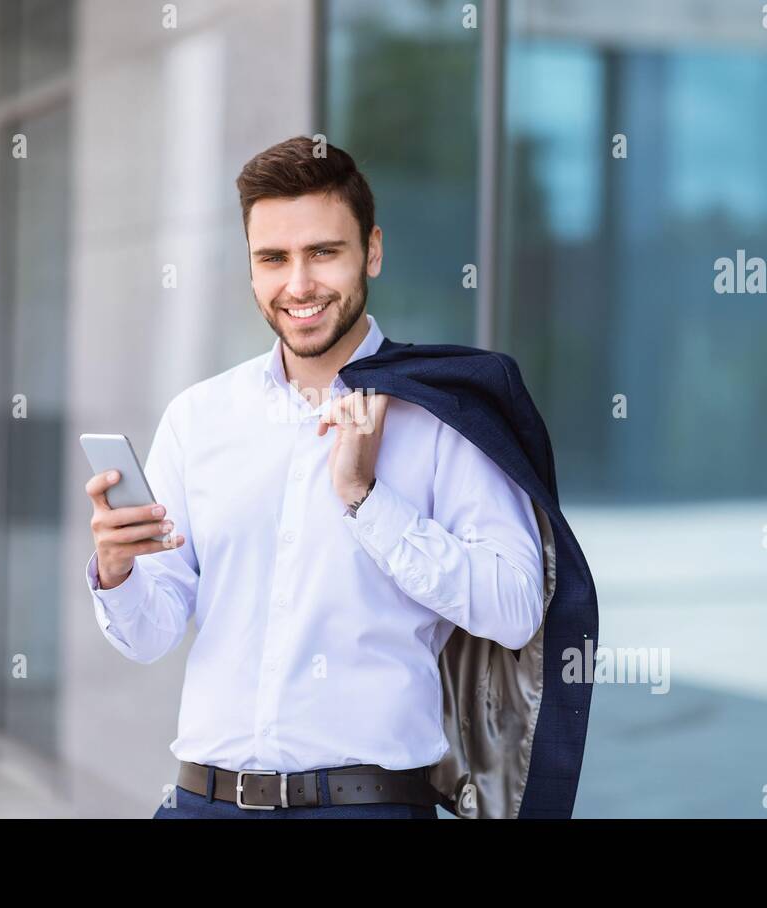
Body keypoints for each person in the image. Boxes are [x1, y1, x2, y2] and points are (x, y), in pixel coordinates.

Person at [84, 136, 547, 818]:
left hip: (367, 806)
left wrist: (366, 499)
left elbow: (515, 608)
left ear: (373, 251)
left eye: (323, 253)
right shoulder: (199, 417)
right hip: (200, 800)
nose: (298, 285)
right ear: (250, 268)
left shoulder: (443, 414)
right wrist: (118, 572)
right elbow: (153, 635)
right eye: (273, 259)